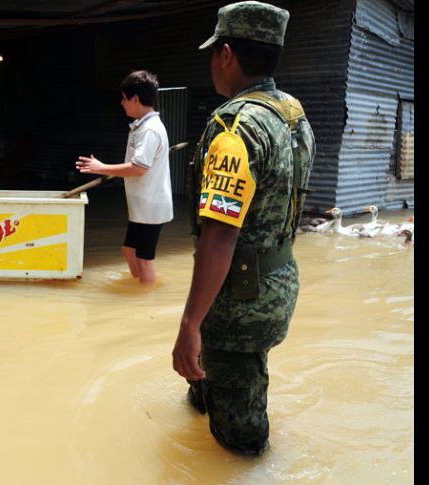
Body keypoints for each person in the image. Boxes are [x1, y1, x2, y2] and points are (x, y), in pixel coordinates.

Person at [171, 1, 316, 456]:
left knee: (241, 443)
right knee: (213, 389)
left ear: (228, 55)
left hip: (238, 301)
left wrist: (189, 324)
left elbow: (220, 234)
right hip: (278, 281)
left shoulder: (236, 128)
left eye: (215, 53)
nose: (213, 61)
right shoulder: (290, 113)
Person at [76, 70, 173, 284]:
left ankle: (146, 301)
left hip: (151, 206)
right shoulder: (142, 127)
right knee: (129, 251)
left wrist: (102, 168)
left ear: (135, 99)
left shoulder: (150, 130)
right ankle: (139, 286)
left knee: (144, 258)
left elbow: (138, 168)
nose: (122, 103)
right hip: (142, 206)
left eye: (124, 98)